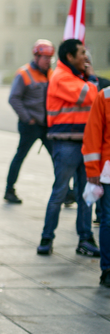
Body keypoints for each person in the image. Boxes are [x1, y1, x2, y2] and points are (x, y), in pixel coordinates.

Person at [37, 39, 99, 257]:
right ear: (70, 57)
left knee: (86, 194)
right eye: (82, 53)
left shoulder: (73, 77)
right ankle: (46, 238)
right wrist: (91, 77)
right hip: (66, 144)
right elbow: (90, 95)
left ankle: (85, 239)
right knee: (60, 192)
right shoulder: (62, 77)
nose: (86, 57)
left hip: (83, 143)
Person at [5, 40, 54, 203]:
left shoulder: (51, 74)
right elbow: (14, 98)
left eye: (50, 57)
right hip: (30, 125)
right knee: (20, 156)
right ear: (36, 56)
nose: (48, 61)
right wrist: (28, 118)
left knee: (57, 157)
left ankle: (66, 191)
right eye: (44, 57)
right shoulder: (24, 73)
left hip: (47, 125)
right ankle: (9, 190)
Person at [81, 77, 110, 288]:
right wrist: (92, 169)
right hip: (108, 171)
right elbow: (93, 134)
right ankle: (108, 269)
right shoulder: (105, 96)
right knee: (109, 219)